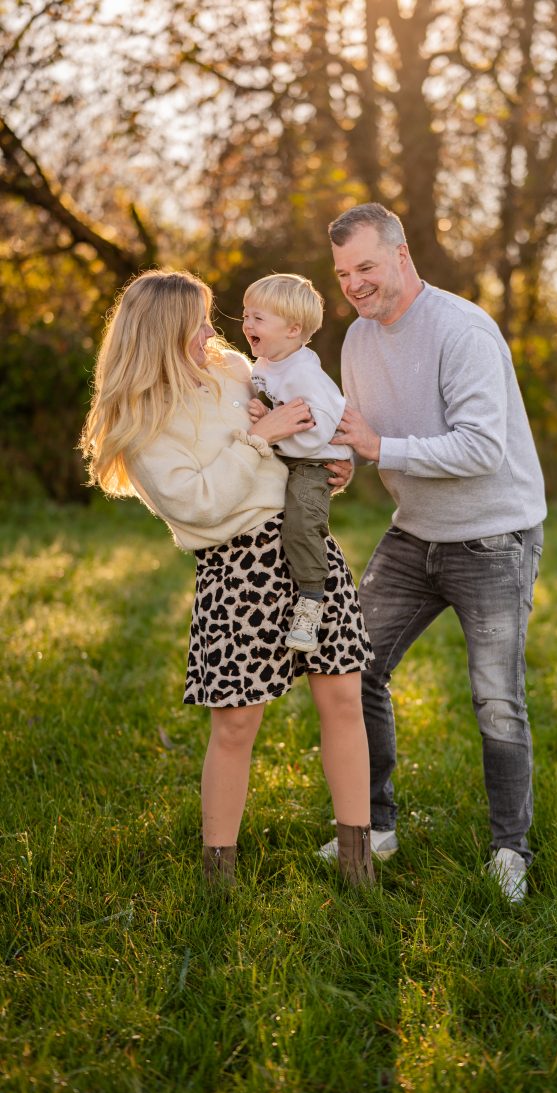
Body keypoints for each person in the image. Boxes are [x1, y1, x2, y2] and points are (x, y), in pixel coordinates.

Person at [79, 268, 375, 888]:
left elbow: (296, 432)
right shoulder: (144, 419)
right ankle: (219, 874)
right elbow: (200, 503)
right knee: (236, 722)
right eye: (198, 322)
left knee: (344, 699)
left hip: (304, 546)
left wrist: (324, 468)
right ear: (163, 332)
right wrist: (257, 436)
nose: (213, 331)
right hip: (237, 567)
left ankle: (358, 861)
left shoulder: (235, 371)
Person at [321, 202, 547, 905]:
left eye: (365, 266)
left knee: (497, 702)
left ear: (401, 254)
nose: (354, 284)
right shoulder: (357, 340)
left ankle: (511, 850)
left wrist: (379, 449)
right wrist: (347, 463)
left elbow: (481, 447)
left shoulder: (462, 329)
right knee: (352, 665)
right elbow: (370, 433)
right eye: (342, 273)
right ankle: (378, 827)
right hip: (414, 531)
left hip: (493, 537)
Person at [242, 273, 352, 654]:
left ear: (292, 330)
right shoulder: (267, 362)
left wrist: (273, 427)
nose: (247, 325)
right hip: (293, 452)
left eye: (258, 318)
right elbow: (282, 413)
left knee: (301, 525)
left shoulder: (303, 373)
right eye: (246, 315)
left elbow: (317, 430)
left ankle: (311, 601)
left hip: (317, 459)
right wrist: (267, 414)